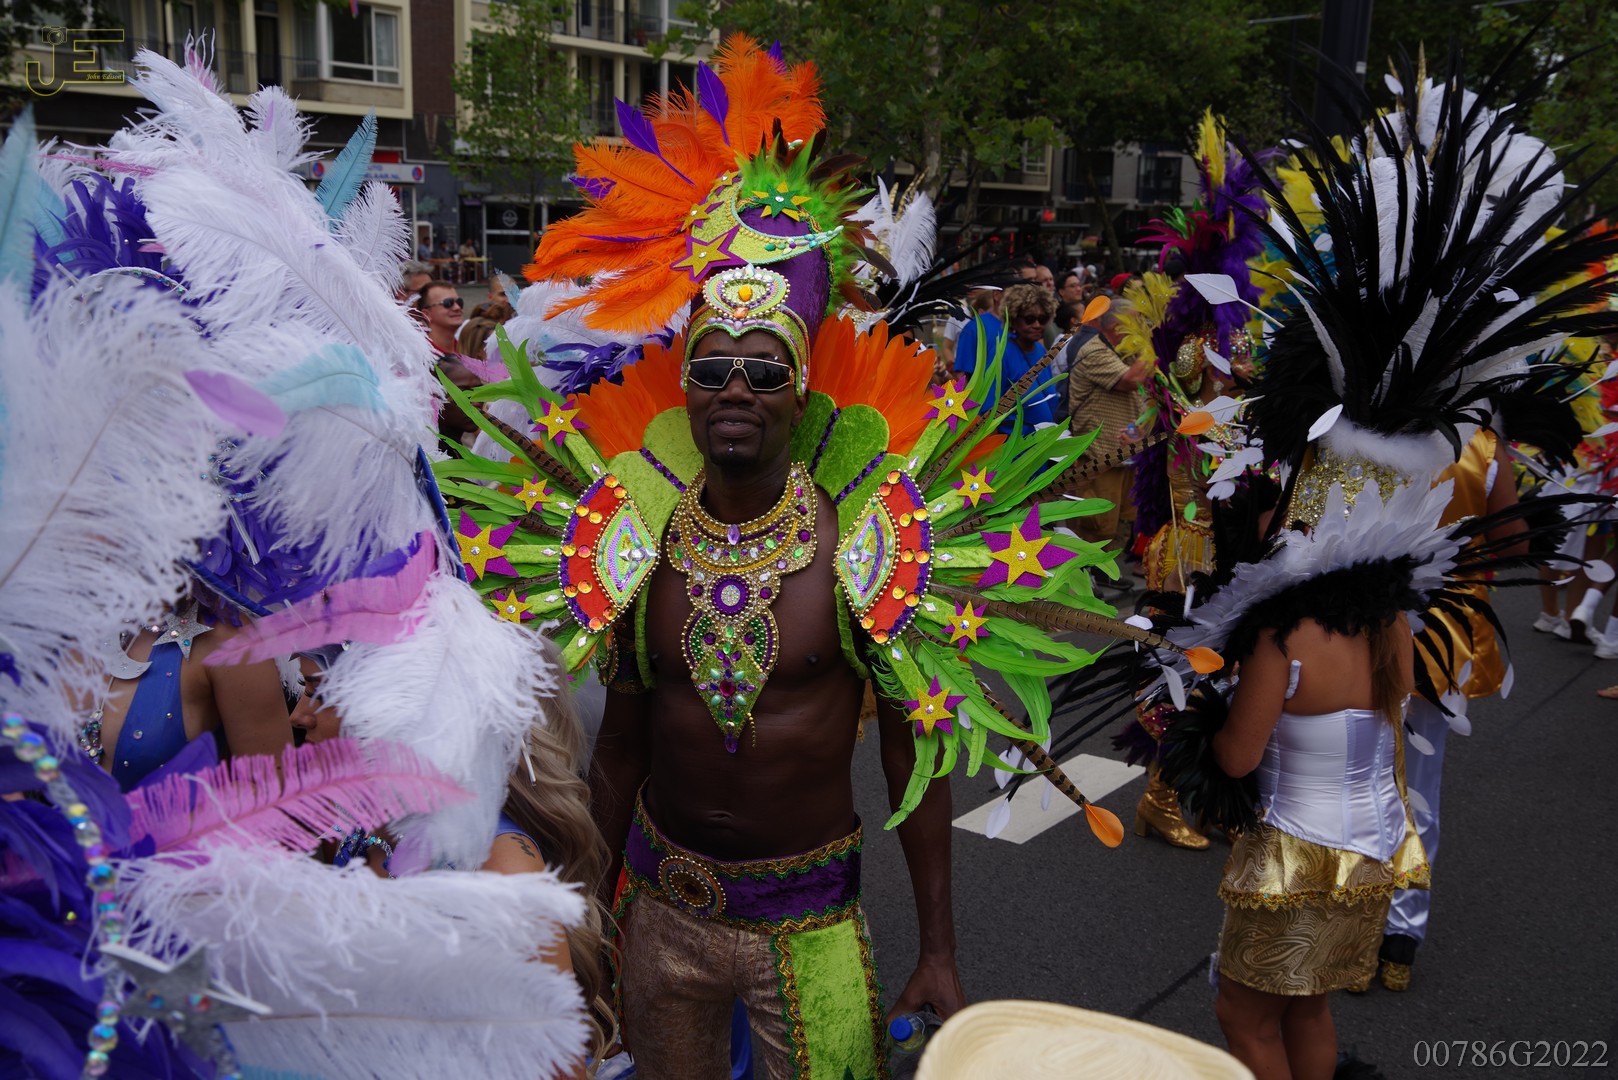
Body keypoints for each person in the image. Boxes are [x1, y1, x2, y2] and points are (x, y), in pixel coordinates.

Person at [1068, 301, 1150, 552]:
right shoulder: (1093, 352)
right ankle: (1085, 571)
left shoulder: (1125, 351)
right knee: (1096, 527)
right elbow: (1133, 379)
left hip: (1124, 455)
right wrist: (1154, 345)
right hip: (1099, 458)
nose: (1142, 328)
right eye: (1136, 322)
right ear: (1116, 327)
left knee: (1121, 524)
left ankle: (1106, 569)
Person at [956, 282, 1057, 435]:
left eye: (1042, 319)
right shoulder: (1001, 354)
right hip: (1015, 446)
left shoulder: (1040, 350)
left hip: (1046, 442)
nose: (1037, 325)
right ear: (1014, 318)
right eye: (1029, 319)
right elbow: (988, 412)